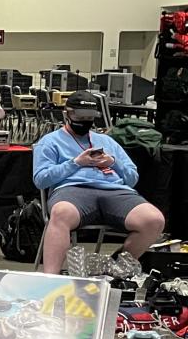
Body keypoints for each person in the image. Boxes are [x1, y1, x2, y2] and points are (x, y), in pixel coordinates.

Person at [33, 90, 164, 277]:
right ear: (67, 114)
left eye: (89, 118)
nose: (85, 122)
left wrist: (113, 163)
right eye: (80, 117)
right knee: (61, 213)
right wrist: (75, 163)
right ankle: (51, 278)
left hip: (115, 191)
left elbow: (132, 178)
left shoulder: (107, 141)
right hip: (73, 190)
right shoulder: (50, 141)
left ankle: (114, 268)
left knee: (154, 220)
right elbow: (41, 180)